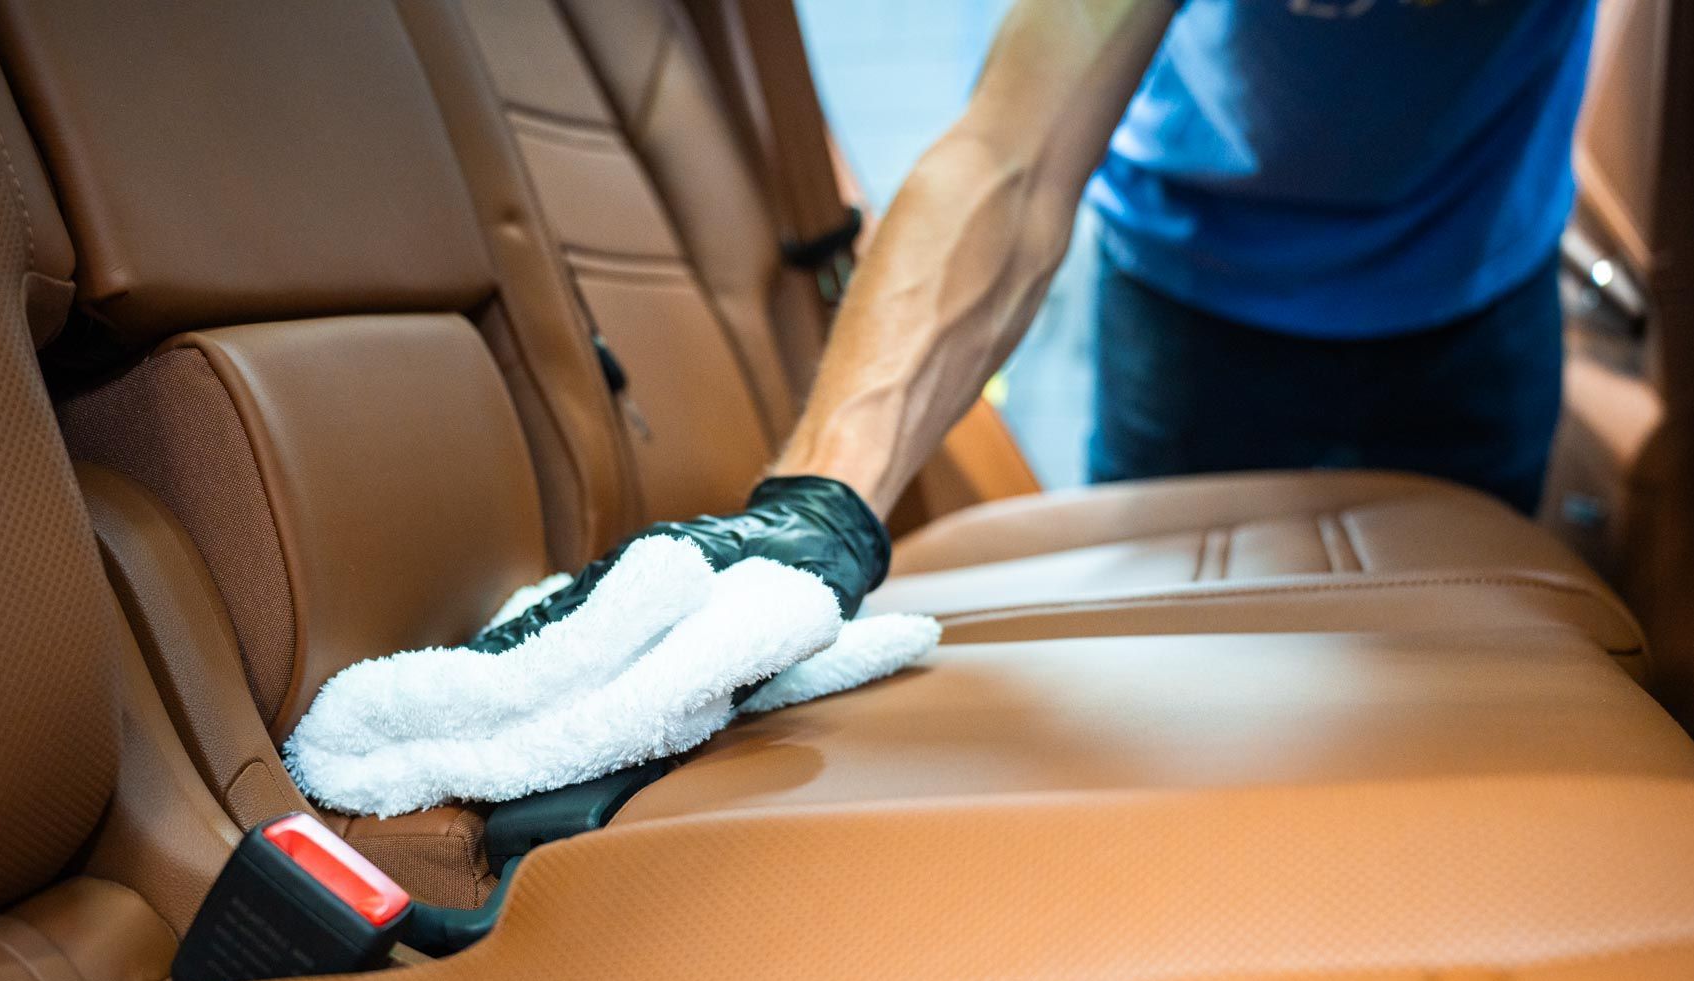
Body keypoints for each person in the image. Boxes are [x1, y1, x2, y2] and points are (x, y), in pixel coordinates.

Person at [476, 0, 1595, 652]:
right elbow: (1003, 167)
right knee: (1185, 664)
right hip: (1193, 278)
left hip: (1481, 275)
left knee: (1471, 648)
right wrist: (822, 504)